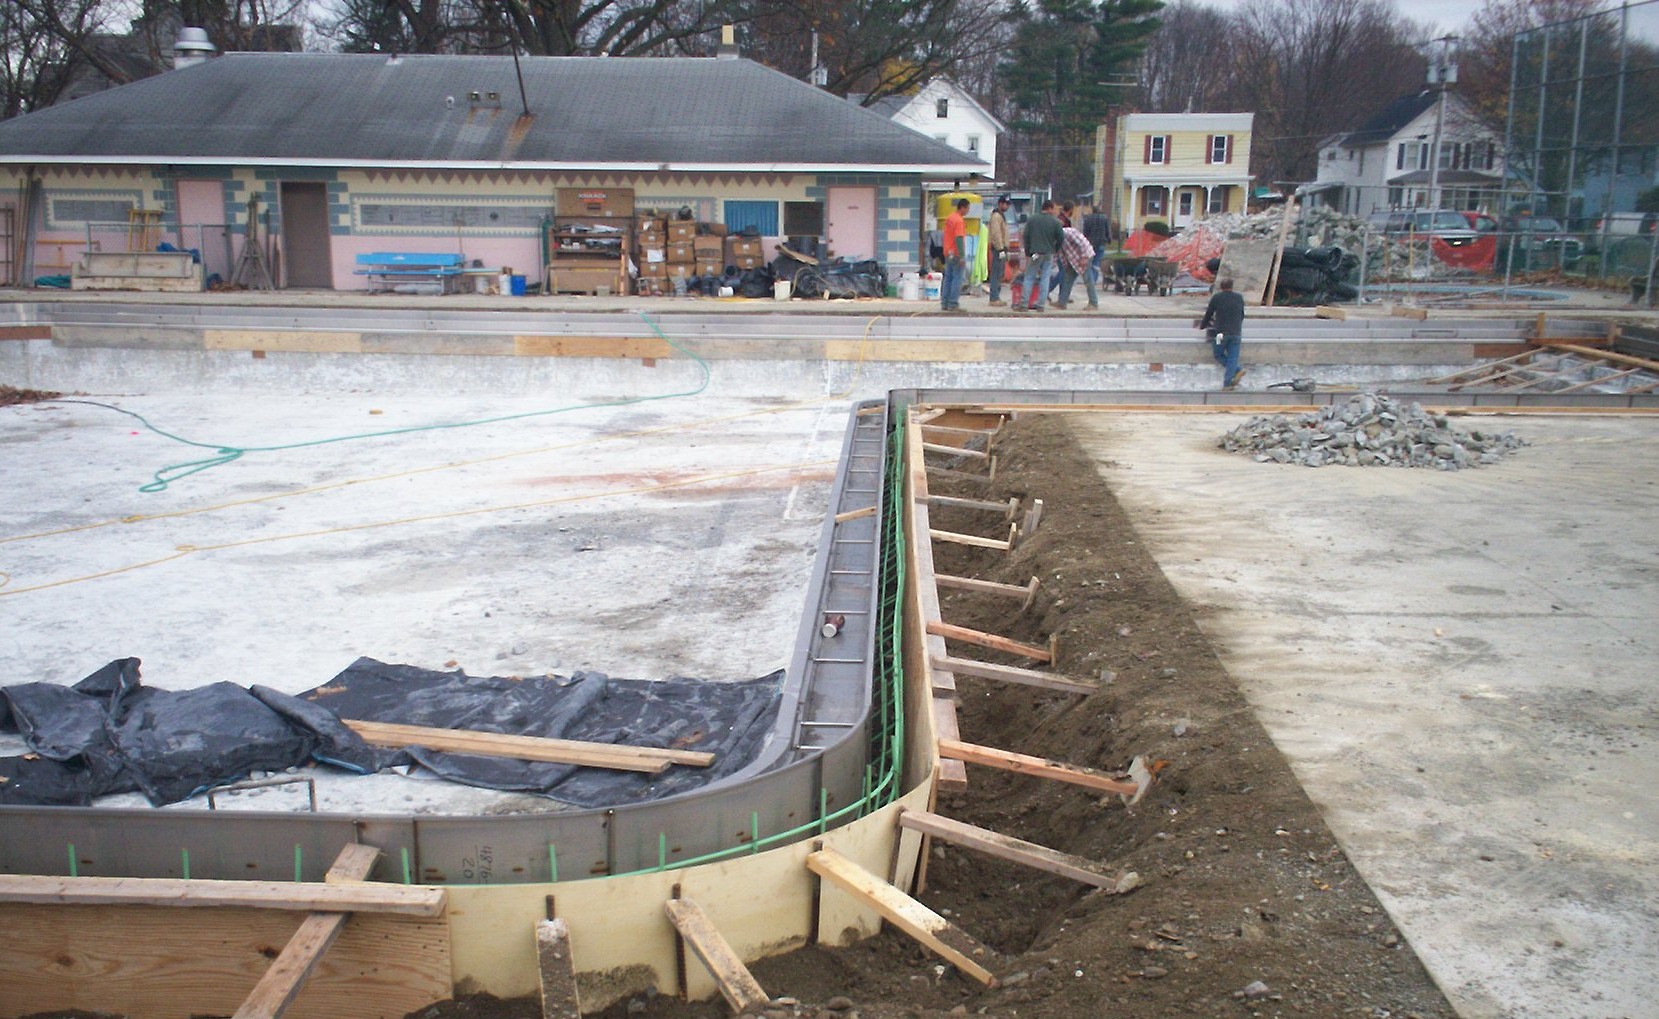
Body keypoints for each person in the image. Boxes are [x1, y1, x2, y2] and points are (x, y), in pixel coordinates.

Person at [1199, 277, 1247, 389]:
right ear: (1232, 286)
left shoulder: (1217, 298)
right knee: (1233, 358)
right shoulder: (1239, 298)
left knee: (1218, 354)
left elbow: (1209, 313)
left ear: (1221, 287)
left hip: (1220, 334)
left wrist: (1202, 326)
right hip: (1236, 333)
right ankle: (1235, 372)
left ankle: (1231, 379)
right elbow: (1242, 315)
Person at [1019, 200, 1063, 312]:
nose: (1053, 211)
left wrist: (1028, 252)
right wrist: (1056, 249)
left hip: (1034, 253)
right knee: (1045, 279)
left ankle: (1024, 304)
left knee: (1029, 277)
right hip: (1048, 253)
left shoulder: (1032, 219)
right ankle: (1041, 304)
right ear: (1049, 208)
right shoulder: (1055, 222)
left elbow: (1026, 236)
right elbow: (1061, 238)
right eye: (1053, 209)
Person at [1055, 223, 1098, 310]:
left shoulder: (1069, 233)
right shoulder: (1057, 238)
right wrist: (1065, 265)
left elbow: (1082, 244)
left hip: (1085, 256)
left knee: (1087, 279)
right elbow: (1060, 253)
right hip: (1073, 259)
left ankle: (1093, 303)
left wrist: (1084, 257)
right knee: (1068, 279)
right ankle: (1062, 302)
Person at [939, 197, 970, 312]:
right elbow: (958, 238)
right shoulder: (959, 221)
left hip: (948, 252)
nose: (967, 211)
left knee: (948, 278)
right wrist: (962, 256)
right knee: (957, 278)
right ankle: (953, 303)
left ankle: (944, 303)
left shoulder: (949, 218)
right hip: (956, 253)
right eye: (967, 208)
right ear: (963, 208)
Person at [986, 195, 1011, 306]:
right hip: (998, 249)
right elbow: (996, 234)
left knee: (1000, 273)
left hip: (1002, 249)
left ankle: (997, 297)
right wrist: (1000, 248)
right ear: (1000, 204)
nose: (1007, 206)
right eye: (1006, 204)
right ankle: (994, 298)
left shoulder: (1001, 216)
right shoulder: (996, 216)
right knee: (996, 274)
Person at [1081, 207, 1114, 285]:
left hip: (1090, 244)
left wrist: (1084, 242)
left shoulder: (1088, 219)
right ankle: (1093, 281)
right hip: (1101, 243)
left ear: (1092, 211)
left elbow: (1085, 232)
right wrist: (1109, 239)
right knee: (1097, 262)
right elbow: (1107, 230)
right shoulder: (1104, 218)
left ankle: (1089, 280)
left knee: (1089, 263)